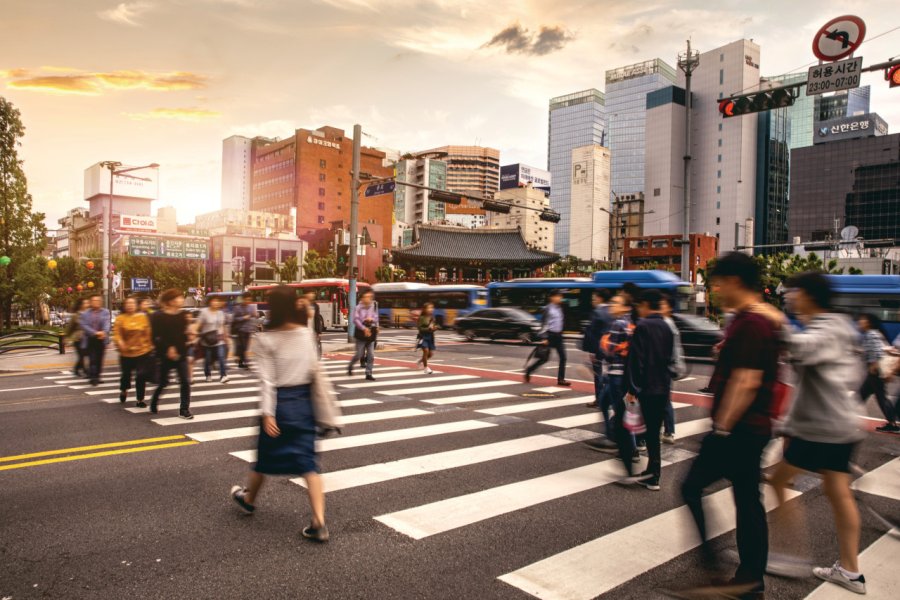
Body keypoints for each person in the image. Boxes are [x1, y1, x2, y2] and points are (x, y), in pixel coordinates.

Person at [757, 272, 868, 594]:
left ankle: (789, 556)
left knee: (778, 481)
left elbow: (803, 349)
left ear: (807, 294)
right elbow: (809, 385)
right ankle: (850, 571)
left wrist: (775, 317)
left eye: (792, 292)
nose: (788, 297)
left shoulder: (829, 327)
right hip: (836, 426)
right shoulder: (836, 325)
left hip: (823, 429)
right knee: (838, 493)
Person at [680, 252, 779, 600]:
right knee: (748, 501)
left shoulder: (753, 322)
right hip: (753, 428)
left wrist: (723, 426)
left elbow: (748, 380)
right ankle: (750, 581)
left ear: (736, 282)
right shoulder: (751, 320)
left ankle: (717, 567)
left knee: (692, 488)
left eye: (718, 283)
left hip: (739, 429)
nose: (716, 290)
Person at [230, 286, 342, 542]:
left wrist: (268, 414)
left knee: (264, 458)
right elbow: (313, 368)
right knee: (309, 464)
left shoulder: (266, 339)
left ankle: (248, 500)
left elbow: (267, 382)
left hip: (280, 404)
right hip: (304, 404)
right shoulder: (306, 334)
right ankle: (318, 522)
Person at [619, 290, 673, 491]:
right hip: (663, 386)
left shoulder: (643, 326)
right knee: (654, 433)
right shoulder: (666, 327)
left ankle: (652, 475)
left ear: (644, 304)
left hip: (647, 387)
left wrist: (632, 388)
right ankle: (653, 473)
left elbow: (637, 360)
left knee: (646, 433)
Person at [584, 293, 634, 457]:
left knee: (620, 412)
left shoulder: (618, 323)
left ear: (626, 307)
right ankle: (612, 436)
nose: (611, 305)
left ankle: (627, 447)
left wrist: (603, 347)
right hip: (620, 373)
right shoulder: (629, 323)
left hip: (617, 373)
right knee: (606, 403)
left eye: (616, 303)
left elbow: (610, 351)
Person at [149, 289, 193, 419]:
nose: (181, 300)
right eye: (179, 297)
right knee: (163, 382)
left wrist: (190, 335)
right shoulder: (158, 316)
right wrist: (168, 348)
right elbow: (155, 336)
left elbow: (184, 333)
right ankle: (154, 401)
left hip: (181, 353)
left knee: (185, 381)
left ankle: (184, 409)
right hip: (164, 355)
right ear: (171, 300)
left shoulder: (183, 315)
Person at [857, 313, 897, 433]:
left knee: (879, 397)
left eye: (862, 320)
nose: (859, 322)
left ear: (868, 322)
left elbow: (876, 352)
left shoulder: (871, 334)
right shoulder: (874, 333)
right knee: (861, 395)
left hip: (874, 371)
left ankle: (893, 424)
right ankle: (892, 423)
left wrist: (873, 366)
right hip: (873, 372)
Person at [113, 296, 154, 407]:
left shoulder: (143, 317)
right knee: (126, 375)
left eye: (132, 303)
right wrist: (120, 342)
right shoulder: (120, 318)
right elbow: (117, 333)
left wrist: (150, 346)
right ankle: (124, 390)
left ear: (136, 306)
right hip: (126, 352)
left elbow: (148, 332)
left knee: (141, 375)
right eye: (128, 303)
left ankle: (140, 399)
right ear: (125, 306)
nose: (130, 305)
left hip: (142, 351)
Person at [524, 290, 570, 386]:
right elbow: (544, 324)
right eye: (558, 296)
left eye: (560, 296)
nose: (560, 298)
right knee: (544, 358)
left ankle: (561, 379)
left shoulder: (560, 308)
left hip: (558, 336)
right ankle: (529, 370)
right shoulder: (548, 309)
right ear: (552, 297)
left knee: (563, 357)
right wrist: (544, 337)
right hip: (550, 335)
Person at [660, 294, 686, 444]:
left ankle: (669, 431)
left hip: (666, 367)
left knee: (664, 400)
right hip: (668, 367)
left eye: (662, 305)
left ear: (669, 307)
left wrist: (676, 366)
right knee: (664, 400)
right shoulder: (667, 322)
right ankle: (668, 431)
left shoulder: (667, 323)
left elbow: (674, 348)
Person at [583, 289, 613, 409]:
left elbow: (592, 332)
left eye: (594, 298)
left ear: (600, 298)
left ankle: (600, 399)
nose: (593, 301)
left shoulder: (597, 311)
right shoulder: (612, 310)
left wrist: (591, 350)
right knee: (612, 372)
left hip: (599, 347)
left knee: (598, 374)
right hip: (611, 347)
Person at [198, 295, 230, 384]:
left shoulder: (221, 313)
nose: (216, 303)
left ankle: (223, 375)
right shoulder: (204, 312)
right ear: (210, 302)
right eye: (214, 301)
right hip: (207, 340)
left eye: (217, 301)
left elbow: (222, 326)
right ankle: (208, 374)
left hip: (219, 339)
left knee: (221, 357)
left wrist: (226, 337)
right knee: (208, 359)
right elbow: (199, 324)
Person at [80, 294, 111, 386]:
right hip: (90, 339)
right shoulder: (85, 313)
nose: (96, 302)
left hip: (101, 339)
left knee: (100, 359)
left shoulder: (105, 312)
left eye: (98, 301)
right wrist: (95, 333)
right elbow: (84, 326)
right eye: (94, 301)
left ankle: (97, 375)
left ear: (101, 302)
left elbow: (107, 323)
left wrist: (104, 332)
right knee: (92, 358)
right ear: (90, 302)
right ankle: (93, 377)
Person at [348, 289, 378, 380]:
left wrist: (373, 321)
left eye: (370, 297)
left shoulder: (374, 306)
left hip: (371, 332)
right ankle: (351, 365)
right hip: (361, 332)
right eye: (366, 297)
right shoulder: (358, 307)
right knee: (359, 354)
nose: (368, 299)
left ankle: (368, 373)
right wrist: (363, 327)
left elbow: (376, 317)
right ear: (362, 298)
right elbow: (355, 320)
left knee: (371, 355)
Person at [231, 292, 257, 369]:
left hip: (248, 330)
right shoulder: (237, 308)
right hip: (240, 330)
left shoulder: (251, 307)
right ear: (243, 299)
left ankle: (240, 361)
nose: (248, 301)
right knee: (244, 347)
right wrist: (243, 318)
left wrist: (255, 315)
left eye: (249, 300)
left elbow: (255, 316)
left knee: (244, 347)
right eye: (246, 299)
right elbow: (234, 319)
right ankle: (246, 362)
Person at [64, 298, 89, 377]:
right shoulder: (76, 316)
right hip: (78, 339)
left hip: (87, 339)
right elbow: (70, 328)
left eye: (88, 303)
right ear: (81, 305)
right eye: (85, 303)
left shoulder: (89, 314)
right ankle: (84, 371)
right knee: (81, 356)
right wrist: (66, 337)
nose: (87, 304)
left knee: (84, 355)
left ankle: (76, 369)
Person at [417, 302, 438, 374]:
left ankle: (420, 361)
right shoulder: (422, 318)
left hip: (431, 337)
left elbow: (435, 326)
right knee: (426, 351)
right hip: (423, 337)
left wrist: (435, 328)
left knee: (430, 354)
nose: (431, 309)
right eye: (429, 308)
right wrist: (428, 329)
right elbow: (420, 328)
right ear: (424, 309)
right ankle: (426, 368)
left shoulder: (432, 317)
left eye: (432, 308)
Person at [304, 292, 326, 357]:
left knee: (312, 347)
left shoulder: (315, 306)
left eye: (312, 295)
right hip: (303, 330)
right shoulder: (301, 304)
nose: (311, 296)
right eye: (310, 294)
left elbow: (317, 319)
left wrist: (318, 331)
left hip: (312, 330)